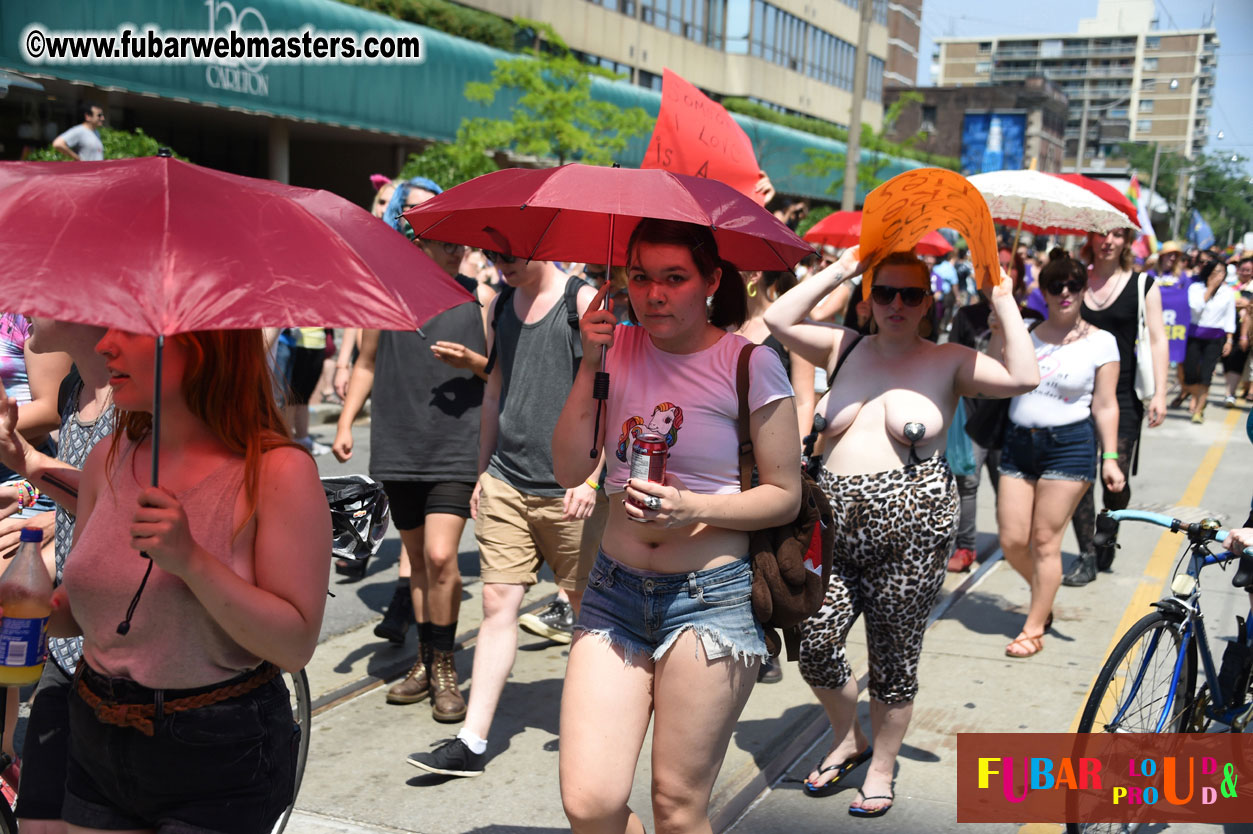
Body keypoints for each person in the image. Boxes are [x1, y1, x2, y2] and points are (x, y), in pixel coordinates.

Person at [765, 246, 1038, 816]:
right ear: (869, 297)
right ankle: (849, 734)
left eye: (909, 294)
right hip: (834, 525)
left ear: (926, 303)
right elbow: (777, 319)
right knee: (813, 644)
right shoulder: (843, 345)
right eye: (884, 291)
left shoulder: (949, 360)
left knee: (893, 660)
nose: (895, 304)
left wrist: (1003, 297)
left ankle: (881, 766)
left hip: (911, 533)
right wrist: (842, 269)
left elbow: (1023, 376)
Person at [552, 218, 800, 833]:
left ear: (712, 281)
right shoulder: (613, 348)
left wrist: (695, 508)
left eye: (674, 278)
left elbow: (784, 495)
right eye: (640, 277)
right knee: (591, 803)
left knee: (676, 805)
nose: (654, 294)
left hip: (710, 601)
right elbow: (566, 465)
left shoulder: (749, 363)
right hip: (612, 592)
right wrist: (589, 362)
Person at [41, 329, 328, 833]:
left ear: (202, 346)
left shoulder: (278, 470)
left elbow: (293, 644)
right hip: (95, 731)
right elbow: (80, 613)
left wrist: (192, 561)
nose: (106, 345)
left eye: (128, 331)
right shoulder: (107, 455)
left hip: (217, 755)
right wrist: (27, 602)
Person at [406, 249, 598, 778]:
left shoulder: (583, 301)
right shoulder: (502, 304)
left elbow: (613, 395)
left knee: (590, 615)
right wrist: (482, 470)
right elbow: (494, 389)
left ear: (542, 246)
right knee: (497, 604)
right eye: (494, 256)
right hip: (506, 481)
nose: (501, 265)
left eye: (510, 256)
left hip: (569, 490)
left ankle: (595, 723)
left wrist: (592, 477)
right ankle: (472, 740)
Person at [332, 221, 486, 721]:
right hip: (399, 445)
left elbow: (499, 369)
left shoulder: (478, 298)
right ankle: (423, 662)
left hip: (455, 445)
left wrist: (473, 361)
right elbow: (367, 363)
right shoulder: (386, 298)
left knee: (442, 557)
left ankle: (445, 667)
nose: (456, 247)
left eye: (459, 241)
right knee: (418, 561)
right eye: (445, 241)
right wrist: (346, 422)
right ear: (418, 244)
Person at [0, 319, 114, 834]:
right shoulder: (75, 389)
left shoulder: (138, 399)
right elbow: (83, 493)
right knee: (40, 821)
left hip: (127, 660)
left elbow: (115, 508)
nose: (25, 307)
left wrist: (36, 496)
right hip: (70, 649)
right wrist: (24, 463)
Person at [994, 257, 1123, 657]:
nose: (1064, 292)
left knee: (1046, 540)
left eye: (1072, 284)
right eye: (1055, 286)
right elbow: (1000, 380)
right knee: (1013, 540)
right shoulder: (1026, 334)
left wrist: (1111, 457)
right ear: (1044, 292)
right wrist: (1000, 334)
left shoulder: (1101, 342)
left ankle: (1034, 627)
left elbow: (1105, 405)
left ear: (1084, 289)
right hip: (1018, 443)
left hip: (1070, 445)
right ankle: (1043, 598)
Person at [1062, 228, 1169, 586]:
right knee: (1078, 477)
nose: (1108, 240)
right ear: (1090, 239)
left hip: (1122, 397)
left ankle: (1108, 529)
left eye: (1117, 235)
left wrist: (1160, 393)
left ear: (1126, 241)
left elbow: (1157, 339)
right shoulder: (1076, 279)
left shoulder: (1142, 284)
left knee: (1115, 480)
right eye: (1101, 234)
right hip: (1078, 392)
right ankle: (1087, 555)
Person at [734, 268, 817, 684]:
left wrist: (796, 453)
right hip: (728, 463)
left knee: (769, 554)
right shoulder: (718, 327)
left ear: (754, 274)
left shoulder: (788, 331)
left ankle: (768, 636)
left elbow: (805, 397)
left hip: (774, 463)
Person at [945, 273, 1045, 573]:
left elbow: (1033, 368)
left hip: (1015, 420)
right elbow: (953, 363)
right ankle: (965, 546)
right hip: (975, 418)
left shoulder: (1032, 319)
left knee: (1011, 486)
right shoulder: (967, 316)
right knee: (967, 481)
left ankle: (1014, 543)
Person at [1180, 259, 1237, 424]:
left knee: (1206, 374)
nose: (1218, 276)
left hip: (1215, 338)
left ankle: (1199, 409)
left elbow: (1229, 317)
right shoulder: (1196, 288)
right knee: (1190, 374)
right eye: (1215, 272)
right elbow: (1196, 307)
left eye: (1221, 272)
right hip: (1195, 334)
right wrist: (1210, 288)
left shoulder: (1227, 292)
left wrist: (1229, 340)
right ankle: (1198, 397)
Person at [1221, 255, 1251, 406]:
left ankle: (1230, 392)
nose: (1245, 272)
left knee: (1238, 359)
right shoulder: (1230, 285)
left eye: (1248, 270)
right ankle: (1230, 389)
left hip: (1245, 330)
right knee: (1226, 359)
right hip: (1226, 327)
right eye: (1242, 269)